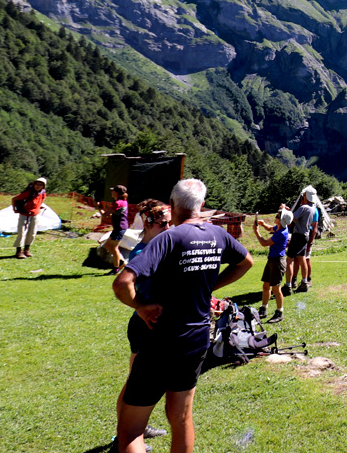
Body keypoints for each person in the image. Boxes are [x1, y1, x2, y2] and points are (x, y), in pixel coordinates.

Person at [112, 178, 252, 453]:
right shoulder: (218, 235)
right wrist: (212, 284)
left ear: (173, 205)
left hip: (161, 337)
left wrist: (140, 306)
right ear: (201, 205)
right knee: (181, 416)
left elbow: (122, 282)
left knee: (130, 430)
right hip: (197, 338)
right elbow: (246, 262)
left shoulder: (169, 238)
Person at [116, 200, 172, 444]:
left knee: (142, 385)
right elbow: (128, 285)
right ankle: (124, 436)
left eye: (171, 222)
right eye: (163, 223)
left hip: (152, 324)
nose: (169, 228)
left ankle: (139, 427)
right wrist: (141, 307)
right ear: (148, 224)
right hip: (143, 326)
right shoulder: (143, 251)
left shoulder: (158, 246)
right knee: (134, 385)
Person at [253, 208, 292, 323]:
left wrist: (256, 231)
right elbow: (270, 228)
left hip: (277, 262)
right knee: (266, 286)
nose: (276, 216)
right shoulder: (279, 227)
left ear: (281, 220)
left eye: (278, 215)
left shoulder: (281, 233)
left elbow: (264, 243)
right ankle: (264, 308)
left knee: (276, 288)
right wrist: (263, 224)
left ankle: (280, 312)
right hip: (272, 260)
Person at [283, 186, 317, 295]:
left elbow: (293, 218)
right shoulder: (313, 208)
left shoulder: (304, 207)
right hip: (306, 235)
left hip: (298, 235)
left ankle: (288, 285)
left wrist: (285, 210)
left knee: (289, 260)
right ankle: (304, 282)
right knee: (303, 259)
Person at [10, 177, 47, 259]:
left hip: (35, 215)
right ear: (34, 184)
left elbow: (42, 200)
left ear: (43, 186)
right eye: (37, 184)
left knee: (32, 233)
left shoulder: (43, 193)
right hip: (24, 214)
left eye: (40, 185)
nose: (38, 186)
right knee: (21, 233)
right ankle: (19, 251)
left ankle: (26, 250)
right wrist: (14, 209)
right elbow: (14, 199)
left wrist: (38, 207)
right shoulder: (28, 192)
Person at [102, 185, 129, 274]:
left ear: (116, 192)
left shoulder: (118, 203)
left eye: (113, 190)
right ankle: (120, 262)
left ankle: (116, 268)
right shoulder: (122, 202)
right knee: (107, 245)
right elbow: (111, 214)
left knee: (114, 248)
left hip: (120, 228)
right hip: (119, 227)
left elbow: (105, 215)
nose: (111, 192)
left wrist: (99, 208)